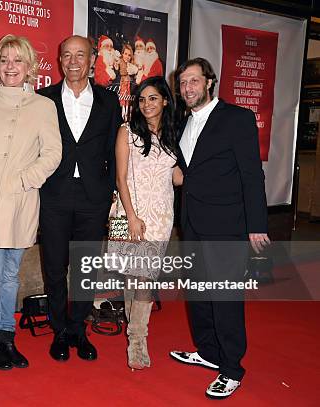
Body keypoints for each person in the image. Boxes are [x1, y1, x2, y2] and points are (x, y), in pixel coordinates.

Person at [169, 57, 270, 399]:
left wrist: (256, 224)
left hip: (227, 225)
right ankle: (209, 352)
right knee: (198, 293)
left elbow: (252, 175)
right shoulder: (183, 121)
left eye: (194, 81)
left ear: (209, 82)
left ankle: (231, 368)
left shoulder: (236, 118)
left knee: (224, 296)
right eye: (183, 83)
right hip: (193, 223)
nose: (187, 88)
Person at [0, 34, 62, 370]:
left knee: (11, 275)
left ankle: (7, 336)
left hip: (23, 201)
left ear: (30, 67)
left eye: (18, 60)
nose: (11, 66)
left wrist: (26, 180)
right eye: (5, 60)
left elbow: (53, 153)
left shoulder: (43, 106)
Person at [37, 35, 121, 362]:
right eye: (67, 55)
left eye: (80, 55)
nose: (73, 62)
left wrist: (113, 191)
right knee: (55, 269)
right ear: (59, 61)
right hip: (54, 195)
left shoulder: (108, 102)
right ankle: (59, 330)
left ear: (91, 60)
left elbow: (116, 150)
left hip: (93, 198)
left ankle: (78, 330)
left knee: (87, 268)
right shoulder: (43, 100)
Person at [107, 76, 182, 370]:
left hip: (162, 215)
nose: (146, 104)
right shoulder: (127, 132)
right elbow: (120, 177)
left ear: (165, 101)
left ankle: (136, 338)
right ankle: (137, 340)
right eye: (142, 99)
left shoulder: (173, 134)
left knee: (142, 278)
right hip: (127, 214)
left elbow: (176, 177)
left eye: (153, 98)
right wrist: (132, 217)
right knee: (135, 277)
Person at [117, 43, 138, 121]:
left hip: (129, 87)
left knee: (128, 103)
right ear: (122, 54)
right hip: (120, 86)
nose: (127, 57)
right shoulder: (119, 63)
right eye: (125, 54)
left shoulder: (132, 66)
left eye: (129, 55)